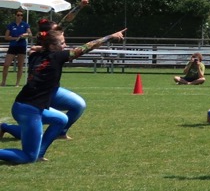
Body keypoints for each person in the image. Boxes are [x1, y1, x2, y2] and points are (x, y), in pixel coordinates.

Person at [0, 24, 125, 164]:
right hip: (29, 110)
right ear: (52, 47)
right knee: (28, 157)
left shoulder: (35, 54)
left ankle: (39, 153)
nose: (65, 45)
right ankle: (33, 154)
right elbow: (86, 47)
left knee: (61, 120)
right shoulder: (57, 57)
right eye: (62, 43)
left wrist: (43, 47)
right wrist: (110, 37)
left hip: (23, 105)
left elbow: (37, 48)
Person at [3, 0, 92, 140]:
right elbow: (35, 50)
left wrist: (80, 6)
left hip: (53, 90)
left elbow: (67, 19)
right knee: (28, 133)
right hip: (36, 94)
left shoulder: (47, 43)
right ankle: (6, 127)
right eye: (56, 29)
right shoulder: (42, 46)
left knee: (79, 105)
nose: (60, 31)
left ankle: (60, 131)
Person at [2, 9, 32, 87]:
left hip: (21, 46)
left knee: (20, 65)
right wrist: (15, 38)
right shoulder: (11, 25)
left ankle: (17, 83)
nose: (20, 16)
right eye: (18, 15)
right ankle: (3, 82)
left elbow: (30, 34)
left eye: (21, 15)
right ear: (15, 16)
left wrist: (24, 35)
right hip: (12, 46)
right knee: (6, 65)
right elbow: (6, 37)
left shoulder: (25, 24)